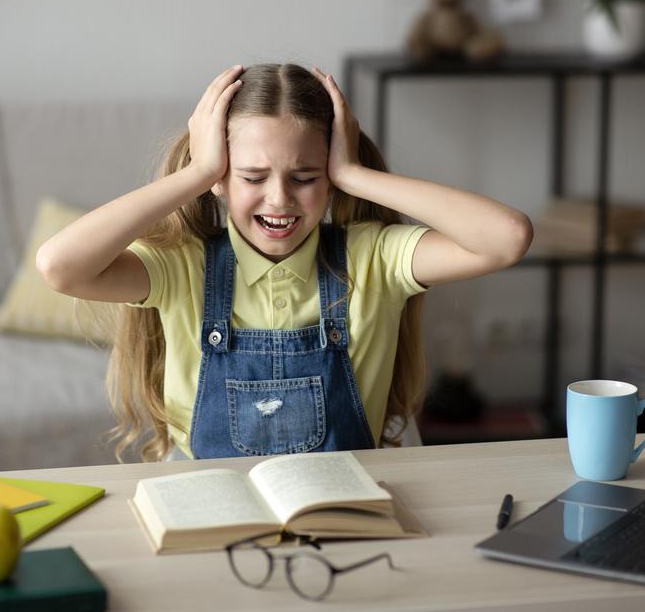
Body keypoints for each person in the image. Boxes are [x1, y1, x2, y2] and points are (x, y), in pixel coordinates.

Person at [36, 63, 533, 462]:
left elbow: (507, 239)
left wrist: (353, 173)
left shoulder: (372, 258)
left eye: (305, 176)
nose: (279, 199)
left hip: (346, 501)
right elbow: (60, 267)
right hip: (205, 499)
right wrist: (200, 171)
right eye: (252, 177)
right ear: (220, 178)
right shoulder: (182, 268)